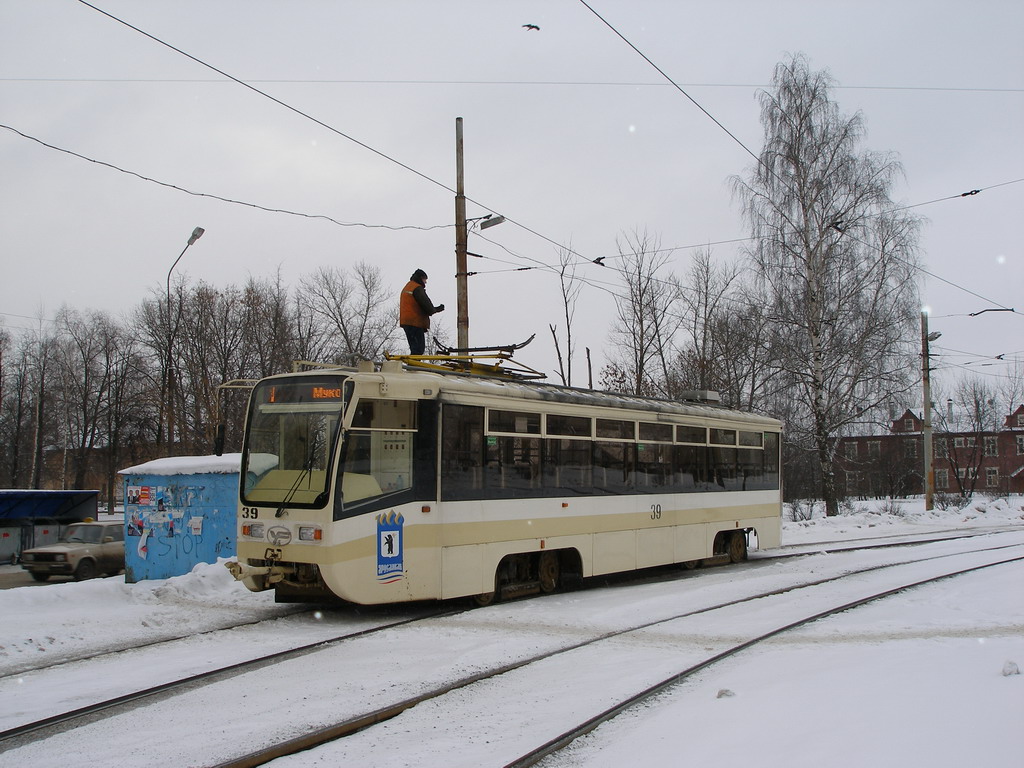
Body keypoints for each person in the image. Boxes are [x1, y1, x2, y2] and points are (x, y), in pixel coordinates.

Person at [399, 268, 444, 355]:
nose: (425, 282)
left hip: (406, 321)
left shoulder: (408, 286)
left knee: (414, 348)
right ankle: (414, 364)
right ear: (420, 278)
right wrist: (437, 309)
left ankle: (411, 363)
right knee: (419, 349)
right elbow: (427, 305)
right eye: (425, 279)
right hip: (414, 322)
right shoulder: (417, 288)